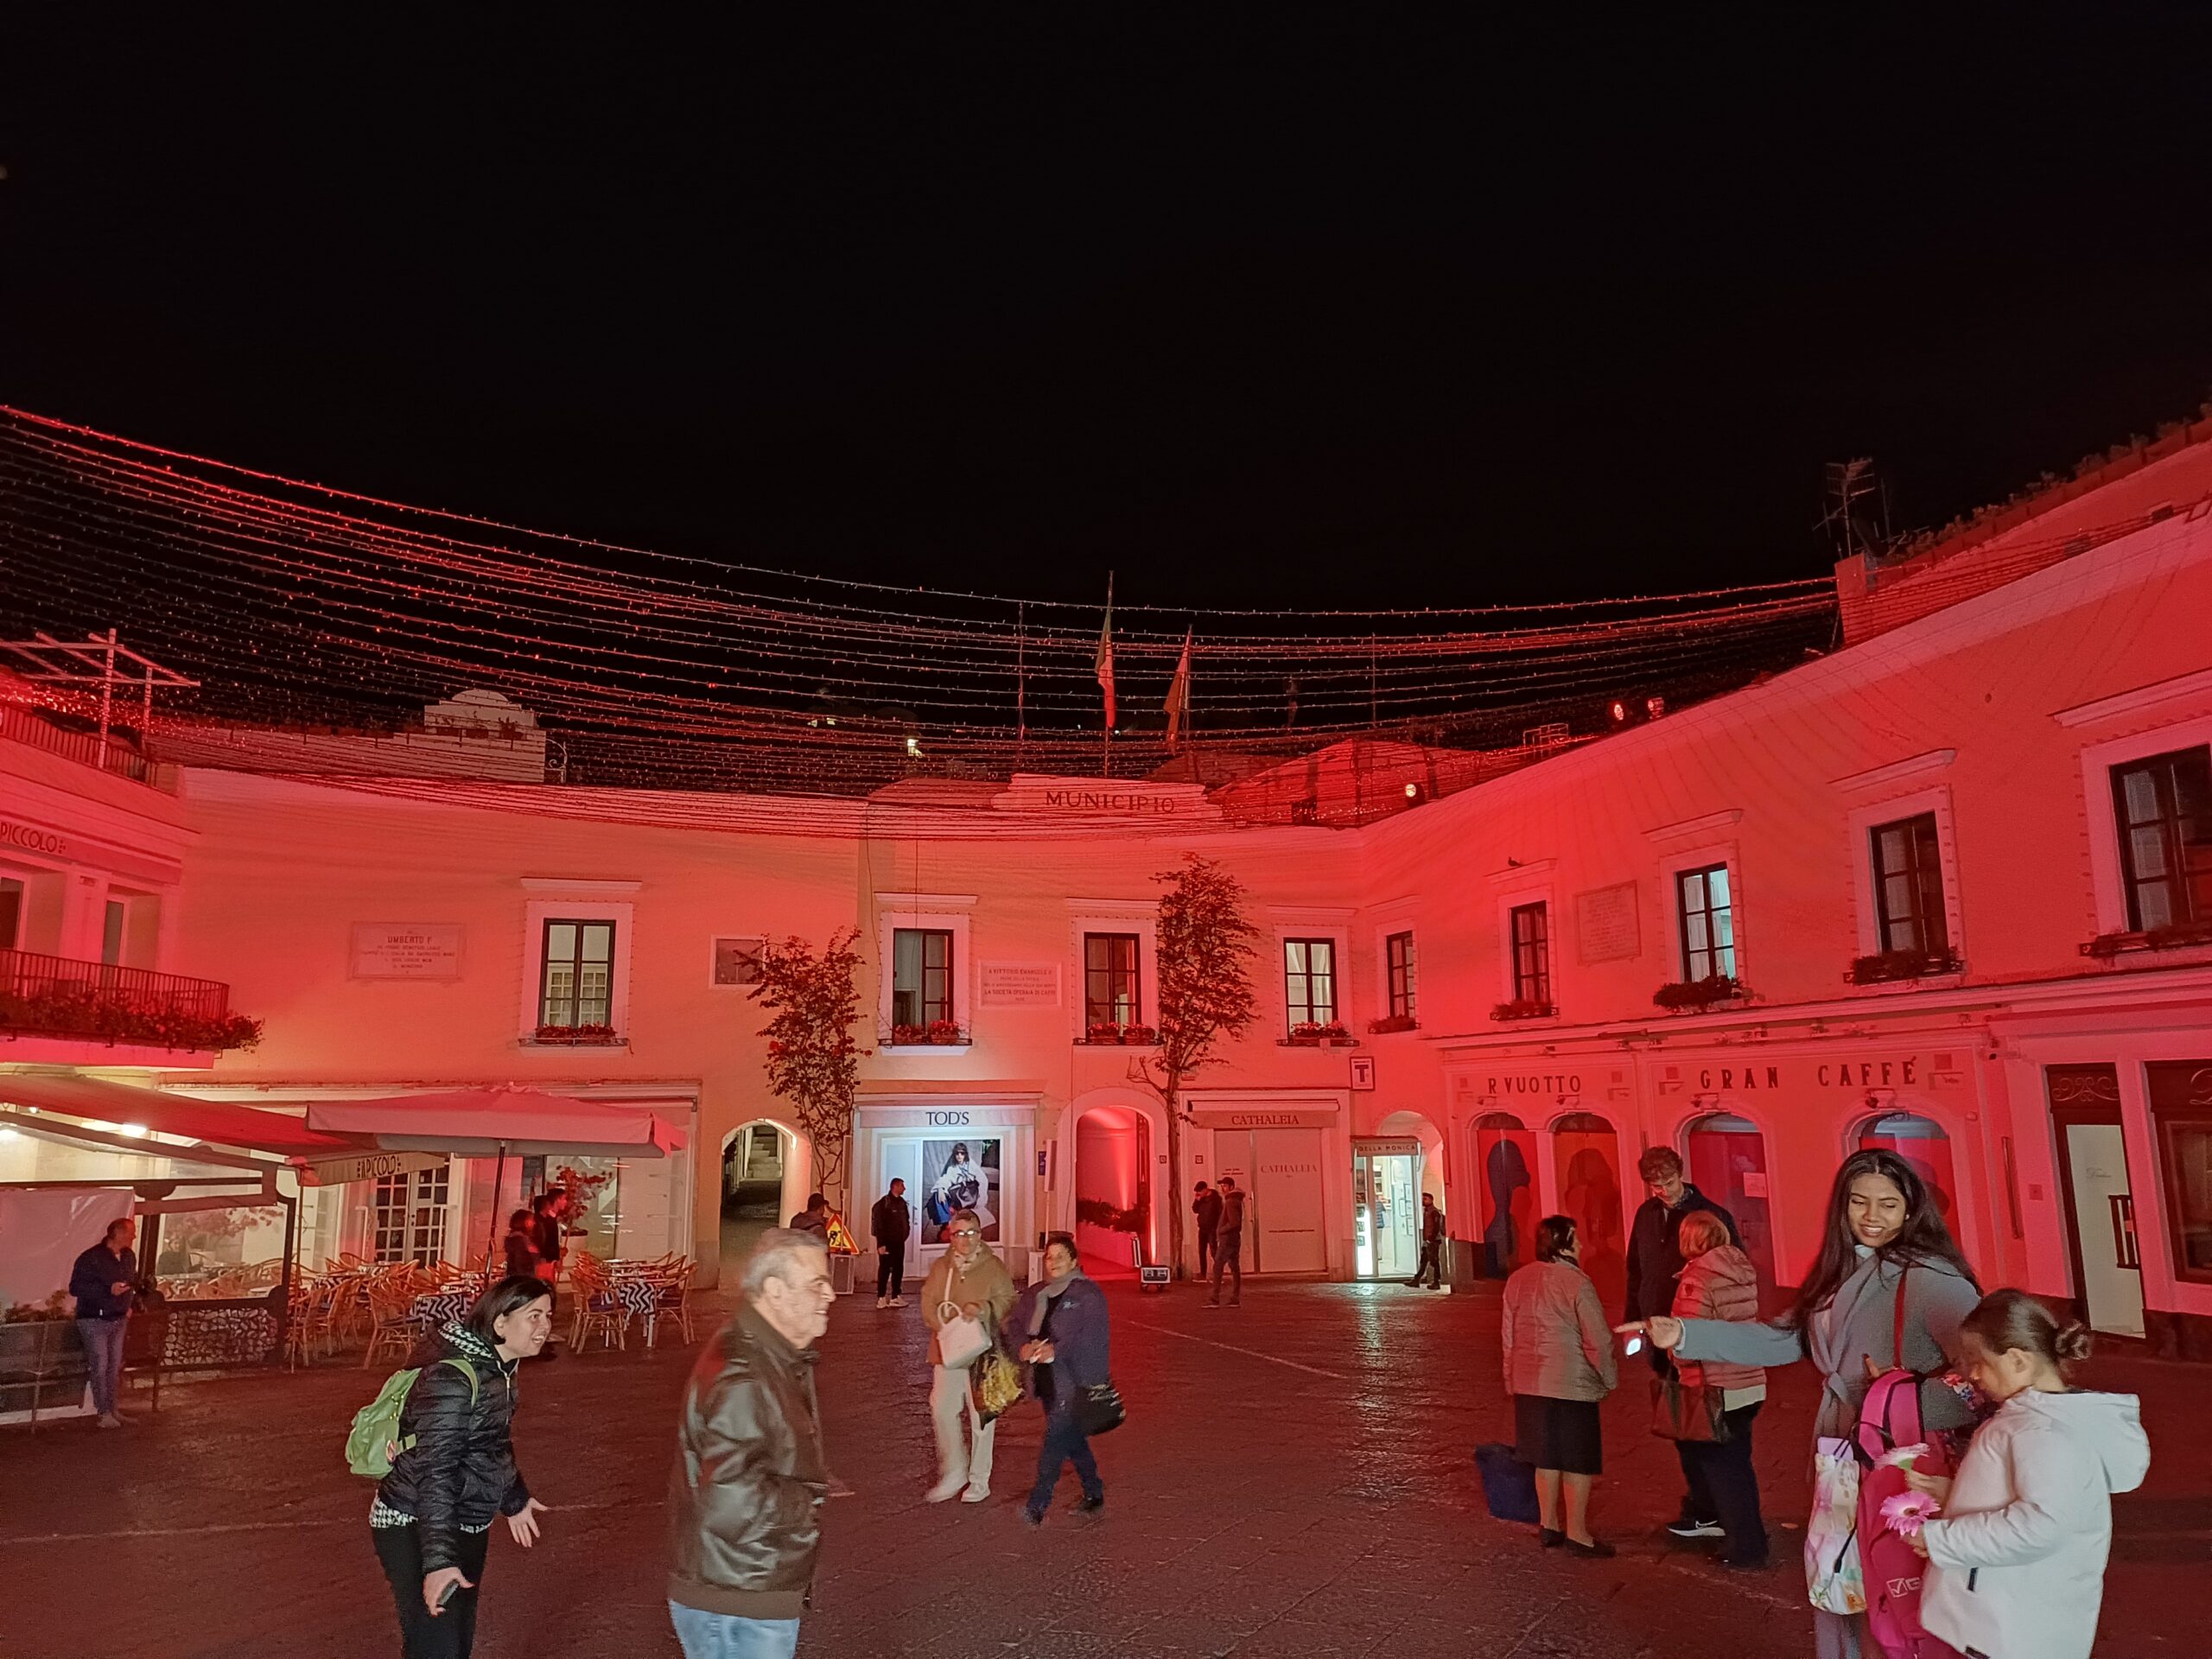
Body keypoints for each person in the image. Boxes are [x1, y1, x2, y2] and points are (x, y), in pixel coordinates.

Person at [1624, 1148, 1982, 1659]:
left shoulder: (1931, 1279)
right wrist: (1682, 1331)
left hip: (1899, 1460)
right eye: (1859, 1202)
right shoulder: (1838, 1271)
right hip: (1841, 1448)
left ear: (1911, 1210)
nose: (1871, 1217)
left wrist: (1903, 1397)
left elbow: (1980, 1377)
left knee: (1895, 1585)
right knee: (1839, 1574)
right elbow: (1783, 1338)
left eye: (1887, 1204)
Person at [1909, 1288, 2149, 1659]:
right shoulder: (2042, 1421)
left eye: (1979, 1361)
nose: (1972, 1374)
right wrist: (1958, 1493)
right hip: (2022, 1615)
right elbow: (2037, 1496)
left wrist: (1945, 1540)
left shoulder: (2039, 1431)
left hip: (2010, 1624)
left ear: (2019, 1361)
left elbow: (2042, 1524)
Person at [668, 1228, 836, 1659]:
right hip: (739, 1598)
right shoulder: (745, 1374)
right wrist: (807, 1500)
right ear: (776, 1291)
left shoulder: (771, 1355)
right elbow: (731, 1500)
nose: (830, 1295)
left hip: (741, 1581)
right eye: (818, 1284)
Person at [370, 1274, 554, 1659]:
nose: (544, 1327)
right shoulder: (452, 1378)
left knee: (455, 1636)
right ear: (500, 1323)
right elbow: (434, 1471)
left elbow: (492, 1443)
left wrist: (515, 1498)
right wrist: (438, 1561)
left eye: (548, 1316)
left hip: (466, 1514)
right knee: (436, 1643)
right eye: (533, 1316)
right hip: (414, 1520)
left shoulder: (500, 1369)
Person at [1624, 1145, 1738, 1540]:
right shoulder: (1646, 1214)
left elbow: (1731, 1275)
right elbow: (1636, 1270)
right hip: (1660, 1339)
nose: (1663, 1192)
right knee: (1681, 1426)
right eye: (1655, 1186)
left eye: (1668, 1183)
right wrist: (1635, 1320)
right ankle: (1703, 1506)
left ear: (1681, 1174)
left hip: (1696, 1340)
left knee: (1703, 1428)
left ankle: (1713, 1509)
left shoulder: (1708, 1216)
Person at [1500, 1214, 1619, 1557]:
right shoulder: (1577, 1283)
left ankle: (1549, 1523)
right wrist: (1608, 1378)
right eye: (1576, 1238)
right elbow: (1597, 1339)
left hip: (1530, 1382)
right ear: (1564, 1242)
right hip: (1571, 1382)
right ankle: (1578, 1532)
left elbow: (1508, 1336)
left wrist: (1512, 1377)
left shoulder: (1518, 1280)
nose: (1581, 1244)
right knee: (1577, 1458)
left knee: (1545, 1455)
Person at [1669, 1209, 1768, 1570]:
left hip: (1715, 1386)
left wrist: (1675, 1357)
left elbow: (1688, 1335)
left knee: (1724, 1469)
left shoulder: (1698, 1278)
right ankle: (1731, 1527)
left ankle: (1746, 1544)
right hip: (1749, 1382)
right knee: (1736, 1462)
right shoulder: (1741, 1270)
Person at [1003, 1230, 1111, 1526]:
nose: (1053, 1262)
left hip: (1075, 1380)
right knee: (1071, 1437)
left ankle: (1037, 1506)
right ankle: (1094, 1492)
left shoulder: (1087, 1296)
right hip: (1045, 1379)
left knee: (1055, 1438)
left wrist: (1056, 1351)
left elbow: (1091, 1337)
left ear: (1074, 1260)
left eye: (1061, 1257)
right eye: (1049, 1257)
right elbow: (1013, 1325)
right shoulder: (1037, 1293)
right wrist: (1022, 1347)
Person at [918, 1205, 1017, 1503]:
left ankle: (979, 1478)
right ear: (951, 1236)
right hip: (947, 1352)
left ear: (979, 1234)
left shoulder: (993, 1266)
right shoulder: (941, 1267)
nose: (965, 1239)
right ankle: (954, 1471)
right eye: (959, 1233)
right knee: (943, 1410)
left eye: (971, 1233)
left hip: (981, 1355)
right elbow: (928, 1301)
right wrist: (943, 1323)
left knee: (982, 1417)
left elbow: (1008, 1298)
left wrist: (984, 1309)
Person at [68, 1215, 141, 1428]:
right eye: (130, 1232)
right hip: (94, 1319)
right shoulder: (91, 1258)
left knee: (113, 1366)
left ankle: (112, 1408)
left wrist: (130, 1304)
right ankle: (103, 1412)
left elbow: (131, 1280)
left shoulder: (128, 1256)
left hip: (118, 1318)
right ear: (116, 1233)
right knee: (100, 1365)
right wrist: (107, 1290)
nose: (133, 1236)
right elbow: (76, 1288)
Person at [871, 1178, 911, 1308]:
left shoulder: (902, 1203)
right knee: (885, 1269)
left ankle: (895, 1296)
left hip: (899, 1242)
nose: (904, 1188)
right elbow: (879, 1226)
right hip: (887, 1243)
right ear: (895, 1187)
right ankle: (881, 1297)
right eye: (902, 1186)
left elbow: (906, 1220)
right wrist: (881, 1244)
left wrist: (905, 1233)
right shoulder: (884, 1204)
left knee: (898, 1268)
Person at [1207, 1175, 1245, 1307]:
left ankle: (1215, 1298)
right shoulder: (1236, 1201)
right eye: (1222, 1186)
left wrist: (1222, 1230)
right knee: (1234, 1267)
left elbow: (1234, 1222)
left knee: (1218, 1266)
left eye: (1225, 1186)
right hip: (1234, 1239)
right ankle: (1235, 1298)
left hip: (1228, 1239)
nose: (1222, 1188)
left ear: (1231, 1187)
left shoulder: (1231, 1201)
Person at [1408, 1192, 1446, 1289]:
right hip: (1427, 1241)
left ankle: (1436, 1282)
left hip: (1432, 1241)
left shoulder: (1434, 1212)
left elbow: (1436, 1226)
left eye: (1426, 1199)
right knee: (1424, 1260)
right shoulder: (1427, 1211)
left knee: (1434, 1261)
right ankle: (1417, 1279)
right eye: (1423, 1199)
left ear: (1431, 1200)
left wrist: (1431, 1239)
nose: (1423, 1201)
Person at [501, 1209, 543, 1282]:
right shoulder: (518, 1241)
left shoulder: (525, 1239)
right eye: (531, 1220)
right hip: (523, 1282)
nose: (534, 1223)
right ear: (523, 1222)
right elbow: (520, 1265)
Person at [1191, 1180, 1222, 1277]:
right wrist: (1197, 1200)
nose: (1198, 1194)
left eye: (1200, 1191)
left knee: (1214, 1251)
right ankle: (1203, 1273)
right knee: (1202, 1251)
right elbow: (1195, 1210)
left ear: (1205, 1189)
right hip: (1202, 1228)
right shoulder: (1201, 1199)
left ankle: (1218, 1272)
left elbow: (1220, 1213)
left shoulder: (1215, 1199)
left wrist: (1218, 1228)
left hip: (1212, 1228)